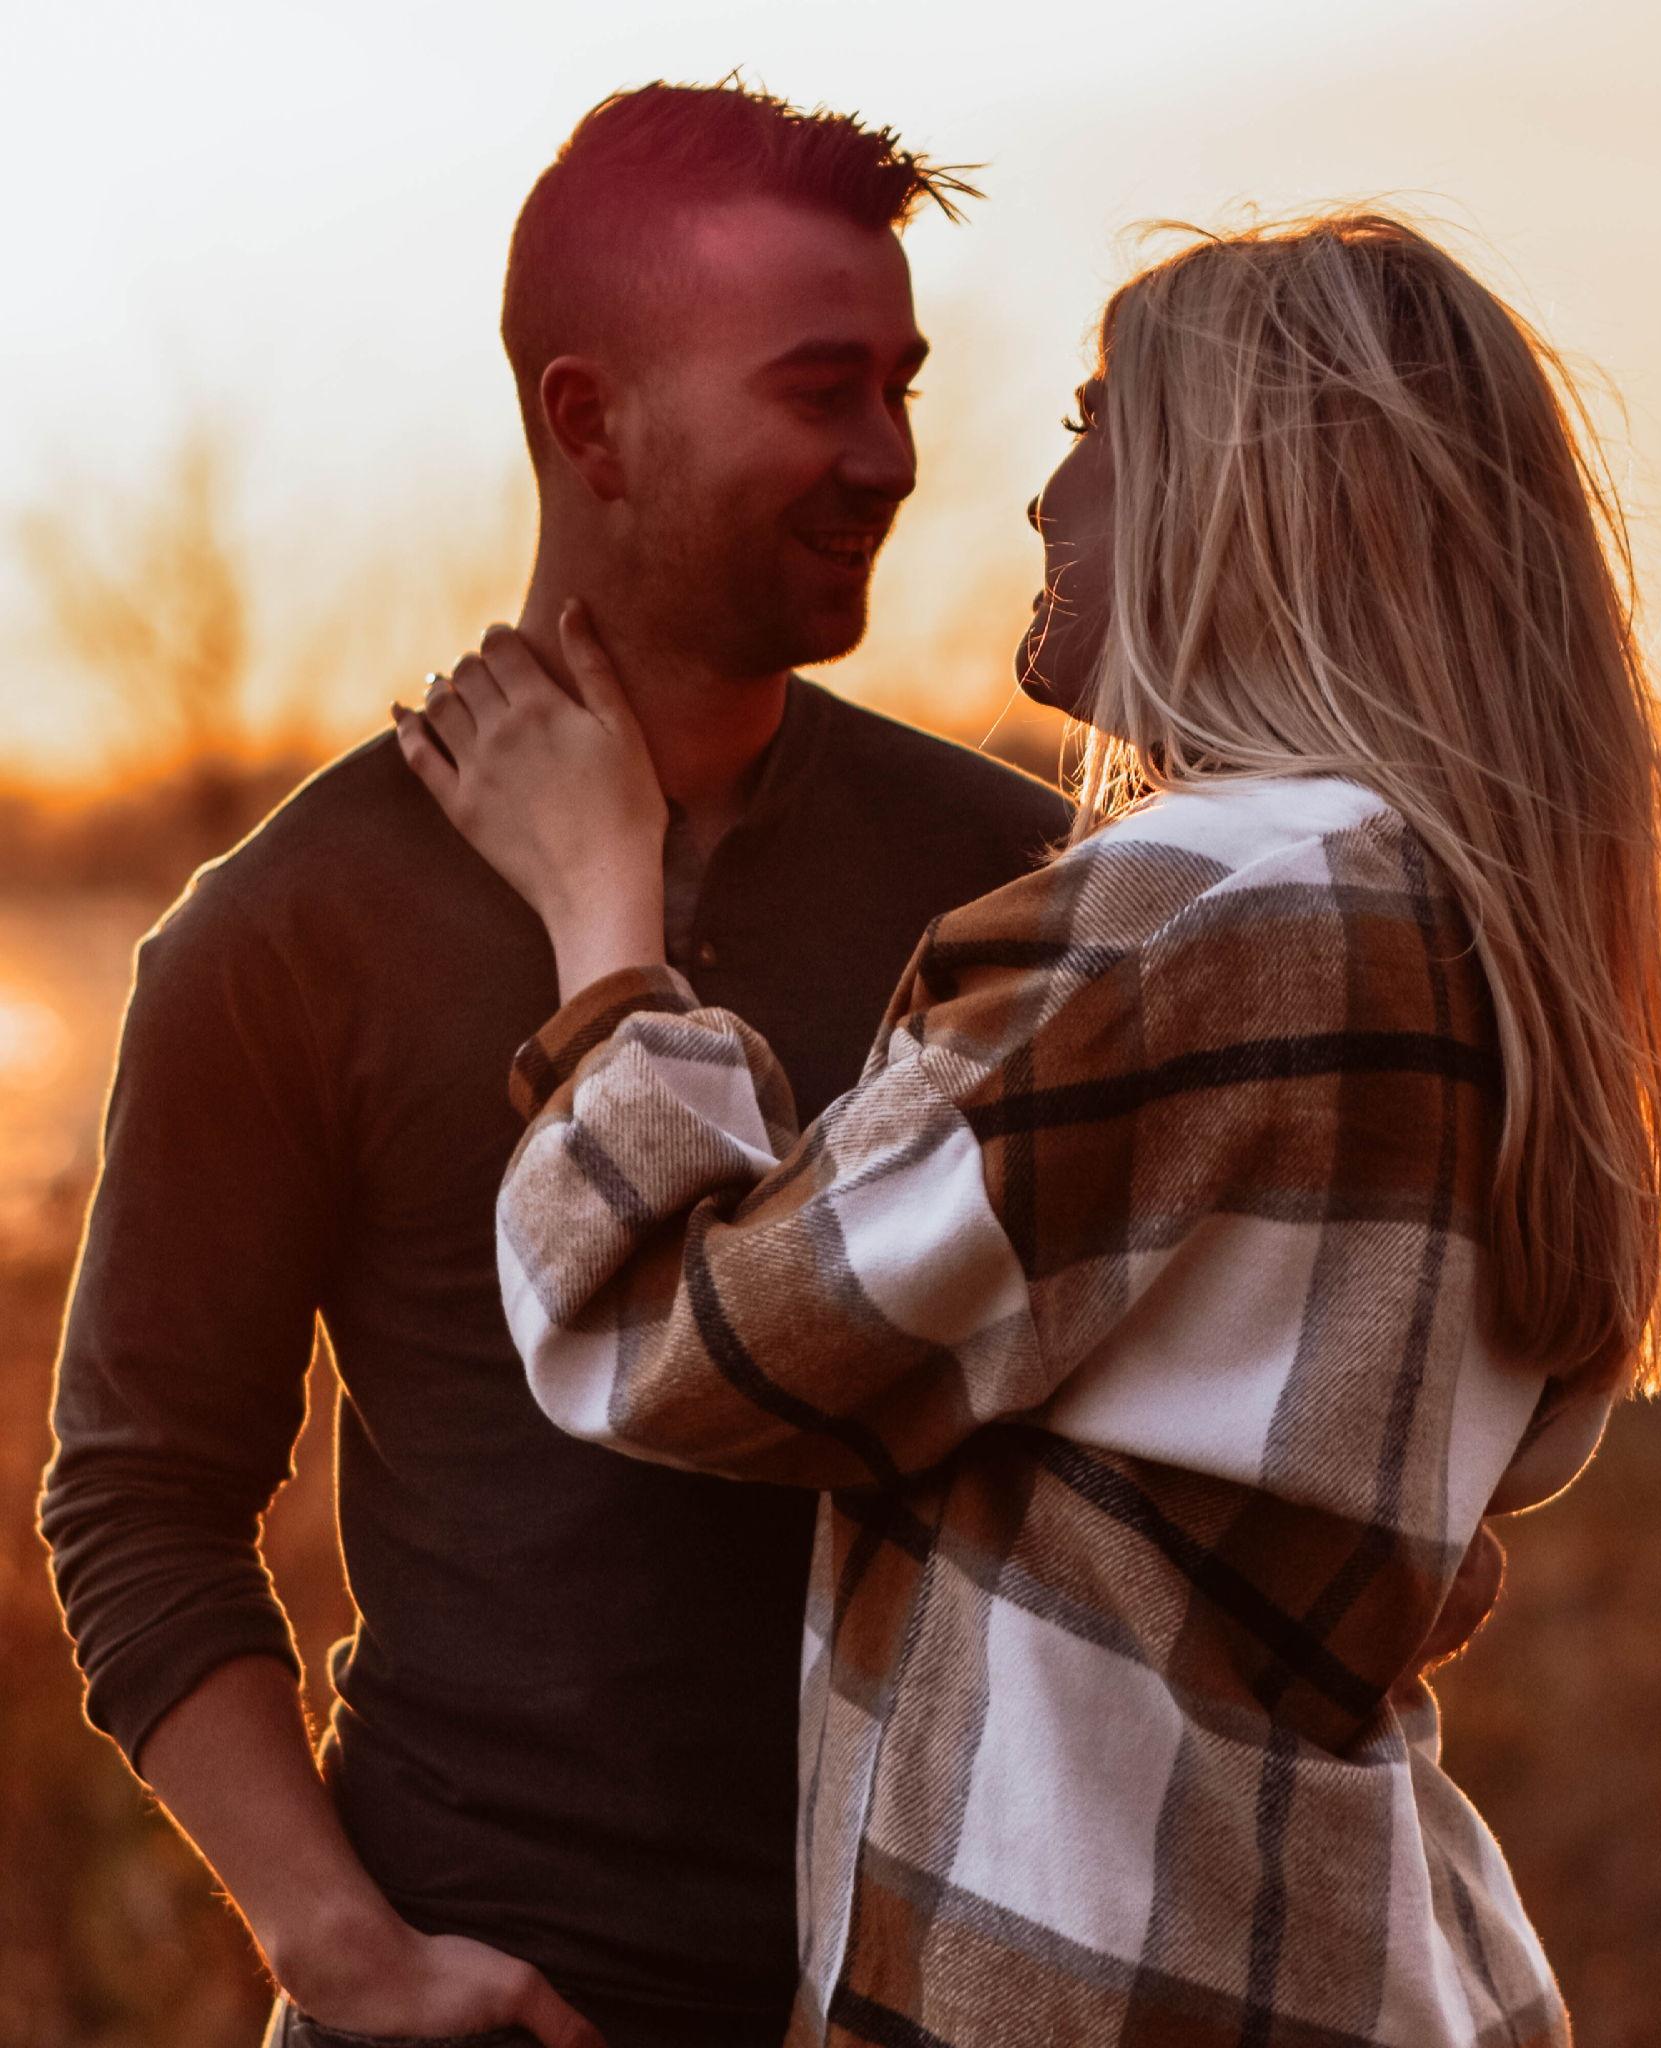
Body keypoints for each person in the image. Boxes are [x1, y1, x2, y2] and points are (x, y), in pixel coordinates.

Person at [403, 209, 1661, 2047]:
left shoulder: (1200, 909)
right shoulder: (1481, 925)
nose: (1034, 500)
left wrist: (602, 920)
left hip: (1094, 1979)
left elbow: (696, 1341)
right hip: (1339, 1958)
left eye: (1095, 430)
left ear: (1238, 496)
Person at [39, 80, 1068, 2048]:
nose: (889, 458)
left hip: (938, 2001)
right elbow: (140, 1500)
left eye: (899, 386)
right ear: (589, 421)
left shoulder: (1009, 882)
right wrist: (345, 1952)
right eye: (819, 387)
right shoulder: (286, 929)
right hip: (497, 2000)